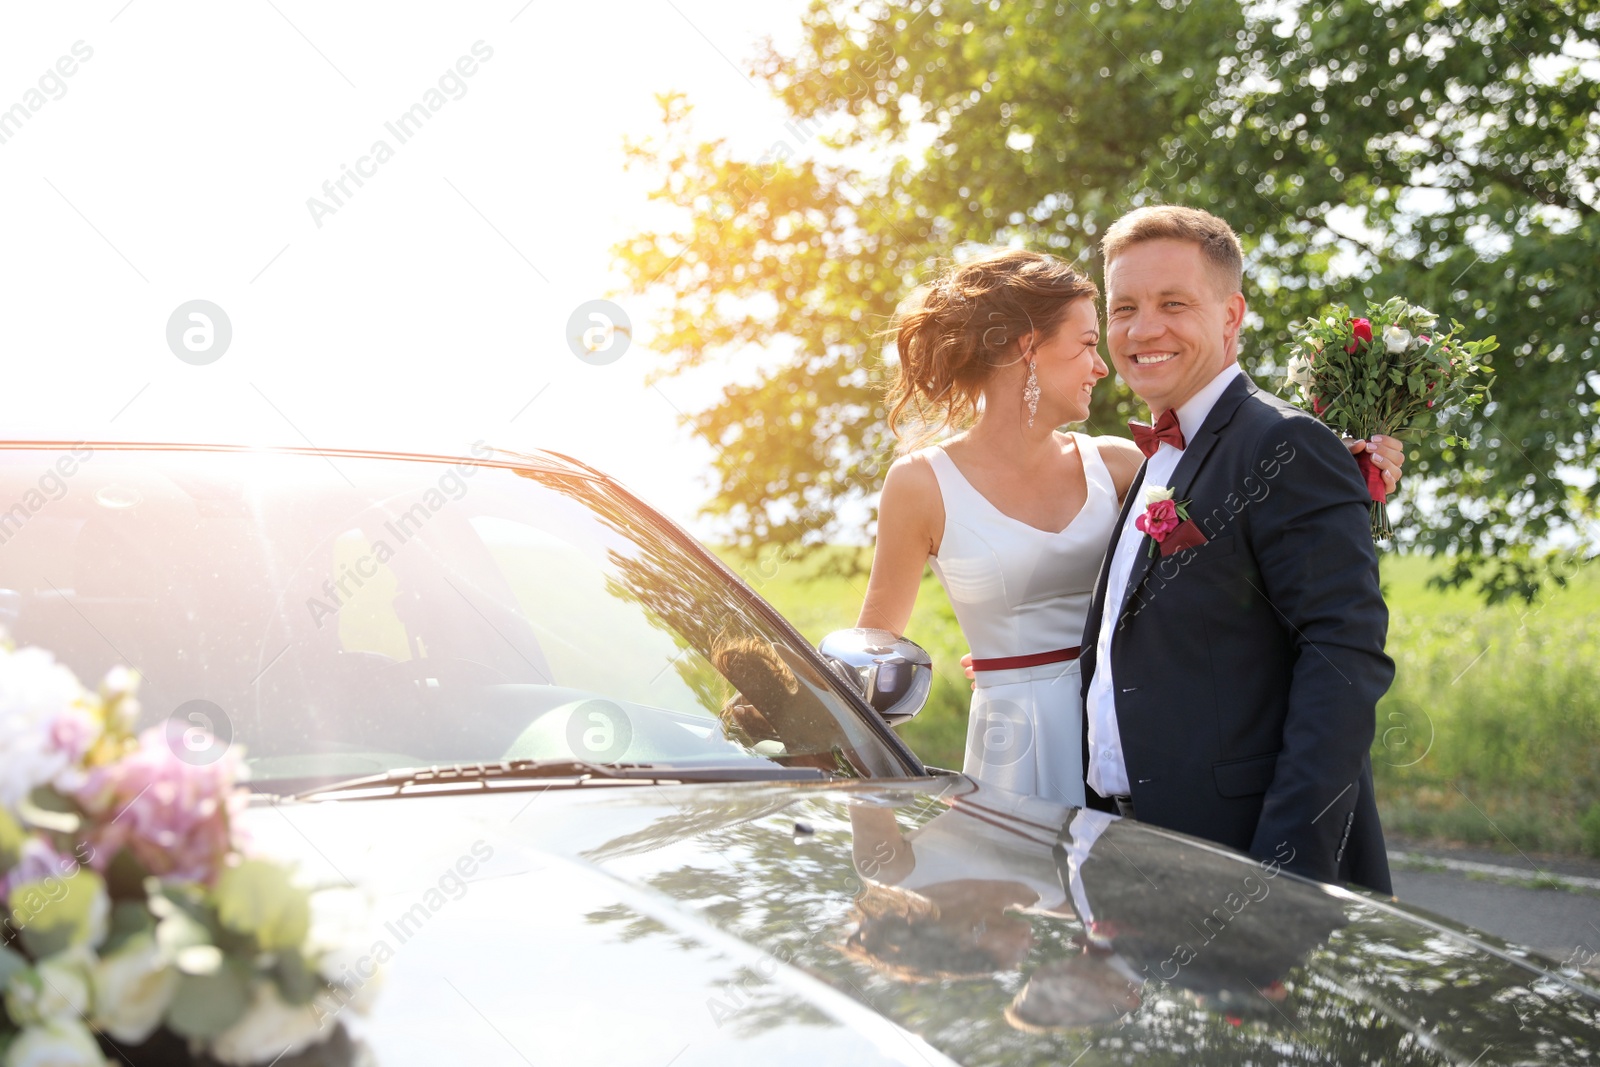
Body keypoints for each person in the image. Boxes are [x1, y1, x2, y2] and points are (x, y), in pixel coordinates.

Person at [857, 249, 1402, 811]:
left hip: (1137, 740)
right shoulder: (921, 483)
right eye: (1088, 344)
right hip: (1012, 744)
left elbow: (1237, 513)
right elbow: (873, 653)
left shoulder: (1119, 465)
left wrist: (1349, 464)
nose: (1102, 365)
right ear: (1028, 349)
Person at [1078, 205, 1395, 893]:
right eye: (1124, 306)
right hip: (1127, 843)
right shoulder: (1156, 453)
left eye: (1173, 303)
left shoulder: (1284, 445)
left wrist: (1287, 874)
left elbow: (1342, 659)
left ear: (1231, 316)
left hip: (1243, 858)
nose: (1142, 329)